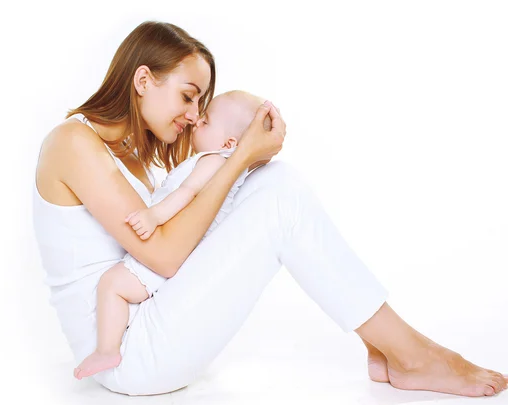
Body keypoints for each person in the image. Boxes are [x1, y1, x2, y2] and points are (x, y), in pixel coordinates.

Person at [33, 21, 507, 397]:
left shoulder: (137, 155)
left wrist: (243, 154)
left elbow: (181, 234)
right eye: (187, 95)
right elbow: (165, 256)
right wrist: (240, 156)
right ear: (143, 79)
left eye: (201, 104)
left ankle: (385, 345)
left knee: (275, 182)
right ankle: (412, 354)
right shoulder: (73, 143)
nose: (195, 115)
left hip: (152, 316)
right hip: (126, 354)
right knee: (278, 195)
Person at [73, 90, 271, 380]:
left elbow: (186, 194)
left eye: (205, 122)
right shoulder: (213, 163)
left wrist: (154, 216)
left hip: (175, 252)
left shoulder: (214, 162)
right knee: (118, 286)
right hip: (178, 252)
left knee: (112, 285)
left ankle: (107, 350)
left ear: (229, 143)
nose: (195, 123)